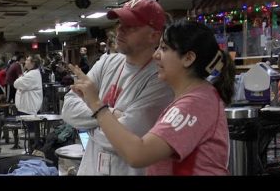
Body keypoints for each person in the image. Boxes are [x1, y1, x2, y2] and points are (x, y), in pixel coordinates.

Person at [68, 20, 236, 175]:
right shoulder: (194, 97)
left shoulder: (195, 103)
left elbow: (137, 154)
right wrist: (111, 115)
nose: (156, 55)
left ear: (188, 58)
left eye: (164, 48)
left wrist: (97, 105)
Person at [62, 0, 173, 175]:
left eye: (131, 26)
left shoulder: (161, 78)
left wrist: (89, 121)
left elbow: (125, 139)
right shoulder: (106, 61)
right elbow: (68, 108)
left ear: (154, 36)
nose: (120, 30)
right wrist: (112, 115)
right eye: (120, 23)